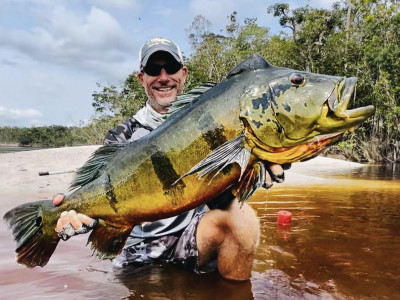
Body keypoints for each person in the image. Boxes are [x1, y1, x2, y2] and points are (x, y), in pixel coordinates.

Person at [53, 37, 288, 281]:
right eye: (154, 70)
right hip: (138, 250)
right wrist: (82, 218)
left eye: (171, 68)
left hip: (190, 237)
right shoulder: (122, 136)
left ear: (183, 73)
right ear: (141, 78)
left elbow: (219, 197)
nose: (163, 77)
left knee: (243, 219)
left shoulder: (211, 122)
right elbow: (107, 199)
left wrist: (252, 171)